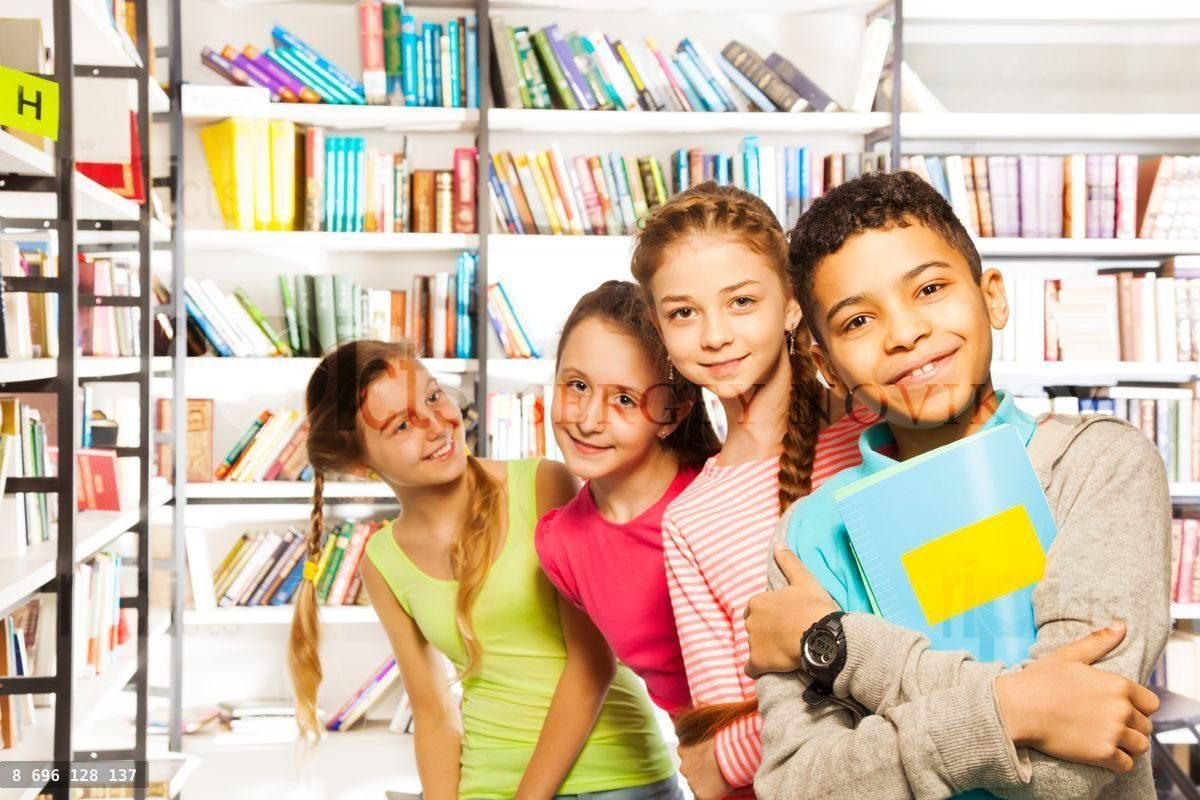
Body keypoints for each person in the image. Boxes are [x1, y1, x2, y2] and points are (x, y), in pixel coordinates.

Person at [747, 170, 1168, 799]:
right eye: (858, 321)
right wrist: (1018, 709)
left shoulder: (1097, 464)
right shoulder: (806, 535)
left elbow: (1068, 771)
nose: (905, 333)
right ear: (827, 367)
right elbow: (798, 787)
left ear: (991, 296)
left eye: (931, 288)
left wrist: (838, 646)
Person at [287, 339, 679, 800]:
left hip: (617, 778)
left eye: (433, 396)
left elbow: (592, 664)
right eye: (401, 426)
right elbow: (433, 713)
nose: (437, 425)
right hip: (486, 785)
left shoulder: (544, 484)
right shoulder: (382, 560)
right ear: (358, 464)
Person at [629, 182, 875, 799]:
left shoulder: (880, 436)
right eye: (683, 312)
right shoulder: (691, 519)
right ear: (659, 327)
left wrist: (737, 749)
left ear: (792, 304)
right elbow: (719, 733)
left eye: (740, 301)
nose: (713, 335)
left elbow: (953, 644)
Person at [535, 280, 721, 717]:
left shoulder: (719, 501)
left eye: (624, 399)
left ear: (671, 415)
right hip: (707, 772)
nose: (589, 420)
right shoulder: (561, 544)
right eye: (577, 385)